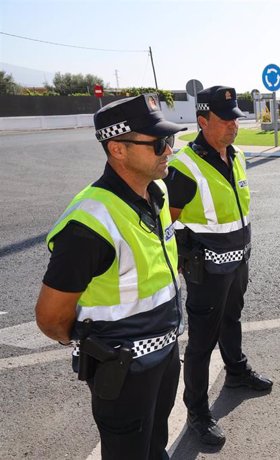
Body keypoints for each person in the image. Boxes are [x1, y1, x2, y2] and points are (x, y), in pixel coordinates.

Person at [35, 94, 186, 460]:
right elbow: (51, 318)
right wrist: (102, 344)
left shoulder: (156, 192)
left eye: (170, 140)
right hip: (123, 371)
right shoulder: (89, 223)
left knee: (154, 445)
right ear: (117, 149)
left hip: (165, 355)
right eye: (158, 143)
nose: (169, 150)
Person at [164, 85, 272, 447]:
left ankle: (237, 371)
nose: (233, 126)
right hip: (207, 269)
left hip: (238, 260)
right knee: (201, 342)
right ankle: (197, 410)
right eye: (225, 120)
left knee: (232, 319)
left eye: (235, 119)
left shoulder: (236, 155)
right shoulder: (184, 166)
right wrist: (183, 259)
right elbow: (168, 222)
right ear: (202, 120)